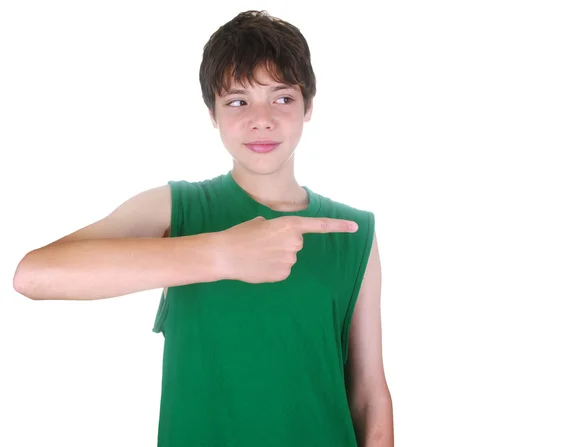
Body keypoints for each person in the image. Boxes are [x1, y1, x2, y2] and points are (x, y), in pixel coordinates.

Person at [13, 10, 393, 446]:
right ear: (212, 113)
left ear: (309, 106)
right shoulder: (177, 210)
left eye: (282, 97)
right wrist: (222, 254)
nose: (262, 118)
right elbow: (34, 275)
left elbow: (368, 394)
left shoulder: (353, 232)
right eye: (237, 101)